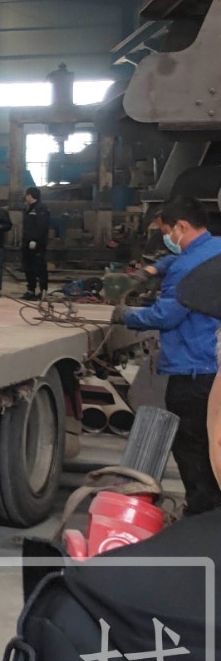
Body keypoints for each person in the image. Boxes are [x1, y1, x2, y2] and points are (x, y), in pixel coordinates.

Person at [118, 195, 221, 516]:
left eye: (167, 233)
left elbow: (166, 316)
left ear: (182, 226)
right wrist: (154, 268)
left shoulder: (185, 268)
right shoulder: (215, 248)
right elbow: (185, 258)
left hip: (193, 372)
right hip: (215, 367)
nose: (166, 239)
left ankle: (202, 513)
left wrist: (126, 315)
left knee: (192, 445)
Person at [20, 186, 51, 301]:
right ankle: (31, 290)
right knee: (28, 267)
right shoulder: (29, 208)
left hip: (37, 245)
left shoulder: (41, 208)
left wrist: (35, 239)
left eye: (26, 196)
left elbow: (41, 226)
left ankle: (43, 291)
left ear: (29, 196)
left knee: (39, 267)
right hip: (27, 243)